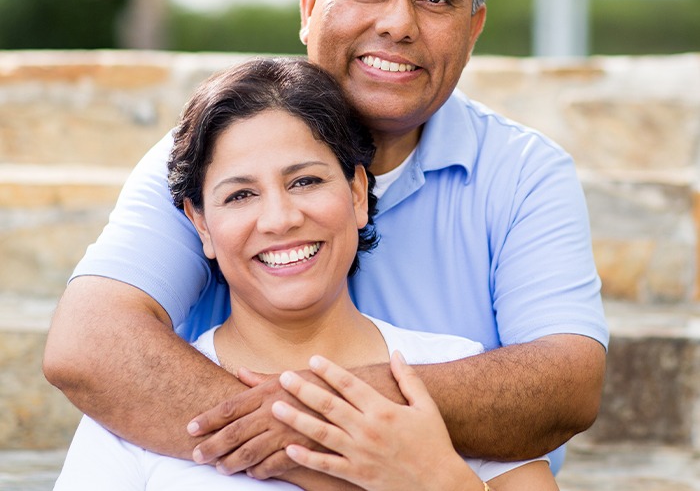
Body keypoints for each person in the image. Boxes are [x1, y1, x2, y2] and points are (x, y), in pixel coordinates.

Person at [43, 0, 608, 480]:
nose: (398, 23)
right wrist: (327, 457)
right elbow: (91, 343)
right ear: (311, 7)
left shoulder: (524, 174)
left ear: (473, 30)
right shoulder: (211, 152)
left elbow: (566, 384)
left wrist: (316, 415)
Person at [54, 57, 558, 490]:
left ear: (358, 193)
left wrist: (438, 480)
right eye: (240, 195)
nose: (280, 218)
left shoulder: (453, 371)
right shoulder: (136, 405)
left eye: (305, 181)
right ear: (200, 225)